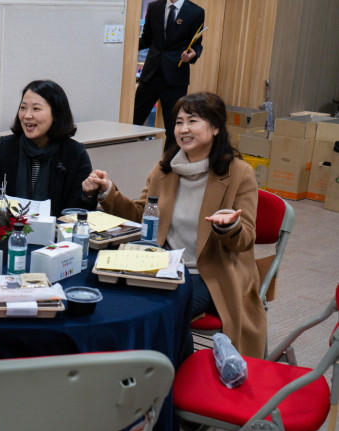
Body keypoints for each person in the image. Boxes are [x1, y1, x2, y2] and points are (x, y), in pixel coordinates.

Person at [83, 92, 266, 358]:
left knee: (158, 309)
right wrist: (108, 191)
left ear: (216, 127)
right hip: (163, 264)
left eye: (193, 121)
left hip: (209, 272)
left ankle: (167, 368)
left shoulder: (239, 173)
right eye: (179, 122)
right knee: (115, 296)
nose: (183, 129)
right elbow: (141, 216)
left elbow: (246, 238)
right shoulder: (165, 169)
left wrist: (229, 226)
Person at [0, 80, 97, 217]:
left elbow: (77, 214)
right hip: (10, 229)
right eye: (23, 108)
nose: (27, 115)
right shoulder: (5, 147)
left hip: (56, 232)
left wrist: (88, 194)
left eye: (36, 109)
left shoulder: (74, 153)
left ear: (56, 114)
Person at [133, 0, 205, 151]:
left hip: (175, 77)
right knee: (133, 120)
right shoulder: (154, 7)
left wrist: (192, 55)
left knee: (174, 129)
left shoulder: (195, 12)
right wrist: (124, 45)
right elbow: (146, 39)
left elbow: (196, 45)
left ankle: (168, 163)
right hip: (151, 74)